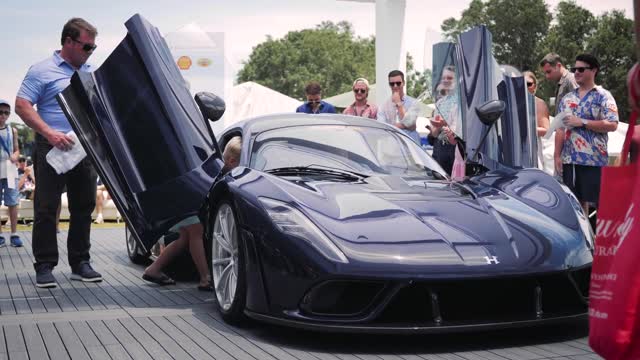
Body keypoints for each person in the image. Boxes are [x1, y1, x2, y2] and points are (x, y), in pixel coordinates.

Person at [15, 18, 101, 288]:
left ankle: (80, 263)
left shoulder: (92, 72)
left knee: (84, 206)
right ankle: (44, 265)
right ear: (68, 41)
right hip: (50, 146)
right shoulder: (42, 70)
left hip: (83, 148)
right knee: (45, 207)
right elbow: (22, 105)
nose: (90, 52)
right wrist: (49, 132)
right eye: (86, 46)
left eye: (93, 47)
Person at [142, 136, 242, 290]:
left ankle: (153, 269)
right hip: (181, 198)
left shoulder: (213, 164)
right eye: (241, 166)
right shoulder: (214, 169)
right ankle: (206, 278)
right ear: (231, 161)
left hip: (179, 196)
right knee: (196, 230)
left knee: (185, 237)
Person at [555, 54, 618, 216]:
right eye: (574, 69)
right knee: (575, 202)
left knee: (598, 203)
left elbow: (612, 124)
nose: (576, 72)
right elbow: (560, 129)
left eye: (581, 69)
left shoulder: (603, 96)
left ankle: (601, 238)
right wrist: (556, 156)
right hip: (570, 160)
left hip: (594, 160)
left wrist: (582, 122)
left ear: (594, 70)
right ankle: (583, 238)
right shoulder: (567, 99)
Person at [429, 67, 460, 174]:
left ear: (456, 80)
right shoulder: (439, 103)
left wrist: (446, 124)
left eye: (450, 78)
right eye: (444, 78)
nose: (446, 80)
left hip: (454, 148)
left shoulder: (462, 102)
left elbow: (459, 129)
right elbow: (434, 133)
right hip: (439, 148)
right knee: (438, 179)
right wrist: (436, 127)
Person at [0, 99, 23, 248]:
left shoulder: (12, 130)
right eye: (0, 112)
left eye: (6, 113)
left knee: (12, 202)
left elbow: (17, 149)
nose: (3, 115)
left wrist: (16, 155)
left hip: (9, 168)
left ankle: (14, 234)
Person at [377, 70, 420, 143]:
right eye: (392, 84)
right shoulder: (383, 106)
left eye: (398, 83)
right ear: (389, 85)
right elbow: (382, 129)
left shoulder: (413, 103)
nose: (395, 86)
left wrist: (399, 103)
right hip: (393, 148)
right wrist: (406, 126)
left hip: (411, 146)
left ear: (403, 83)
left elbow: (409, 123)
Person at [523, 71, 551, 172]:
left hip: (533, 149)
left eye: (529, 84)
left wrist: (525, 130)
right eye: (522, 84)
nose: (525, 87)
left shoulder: (539, 103)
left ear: (534, 86)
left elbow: (546, 130)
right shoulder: (511, 103)